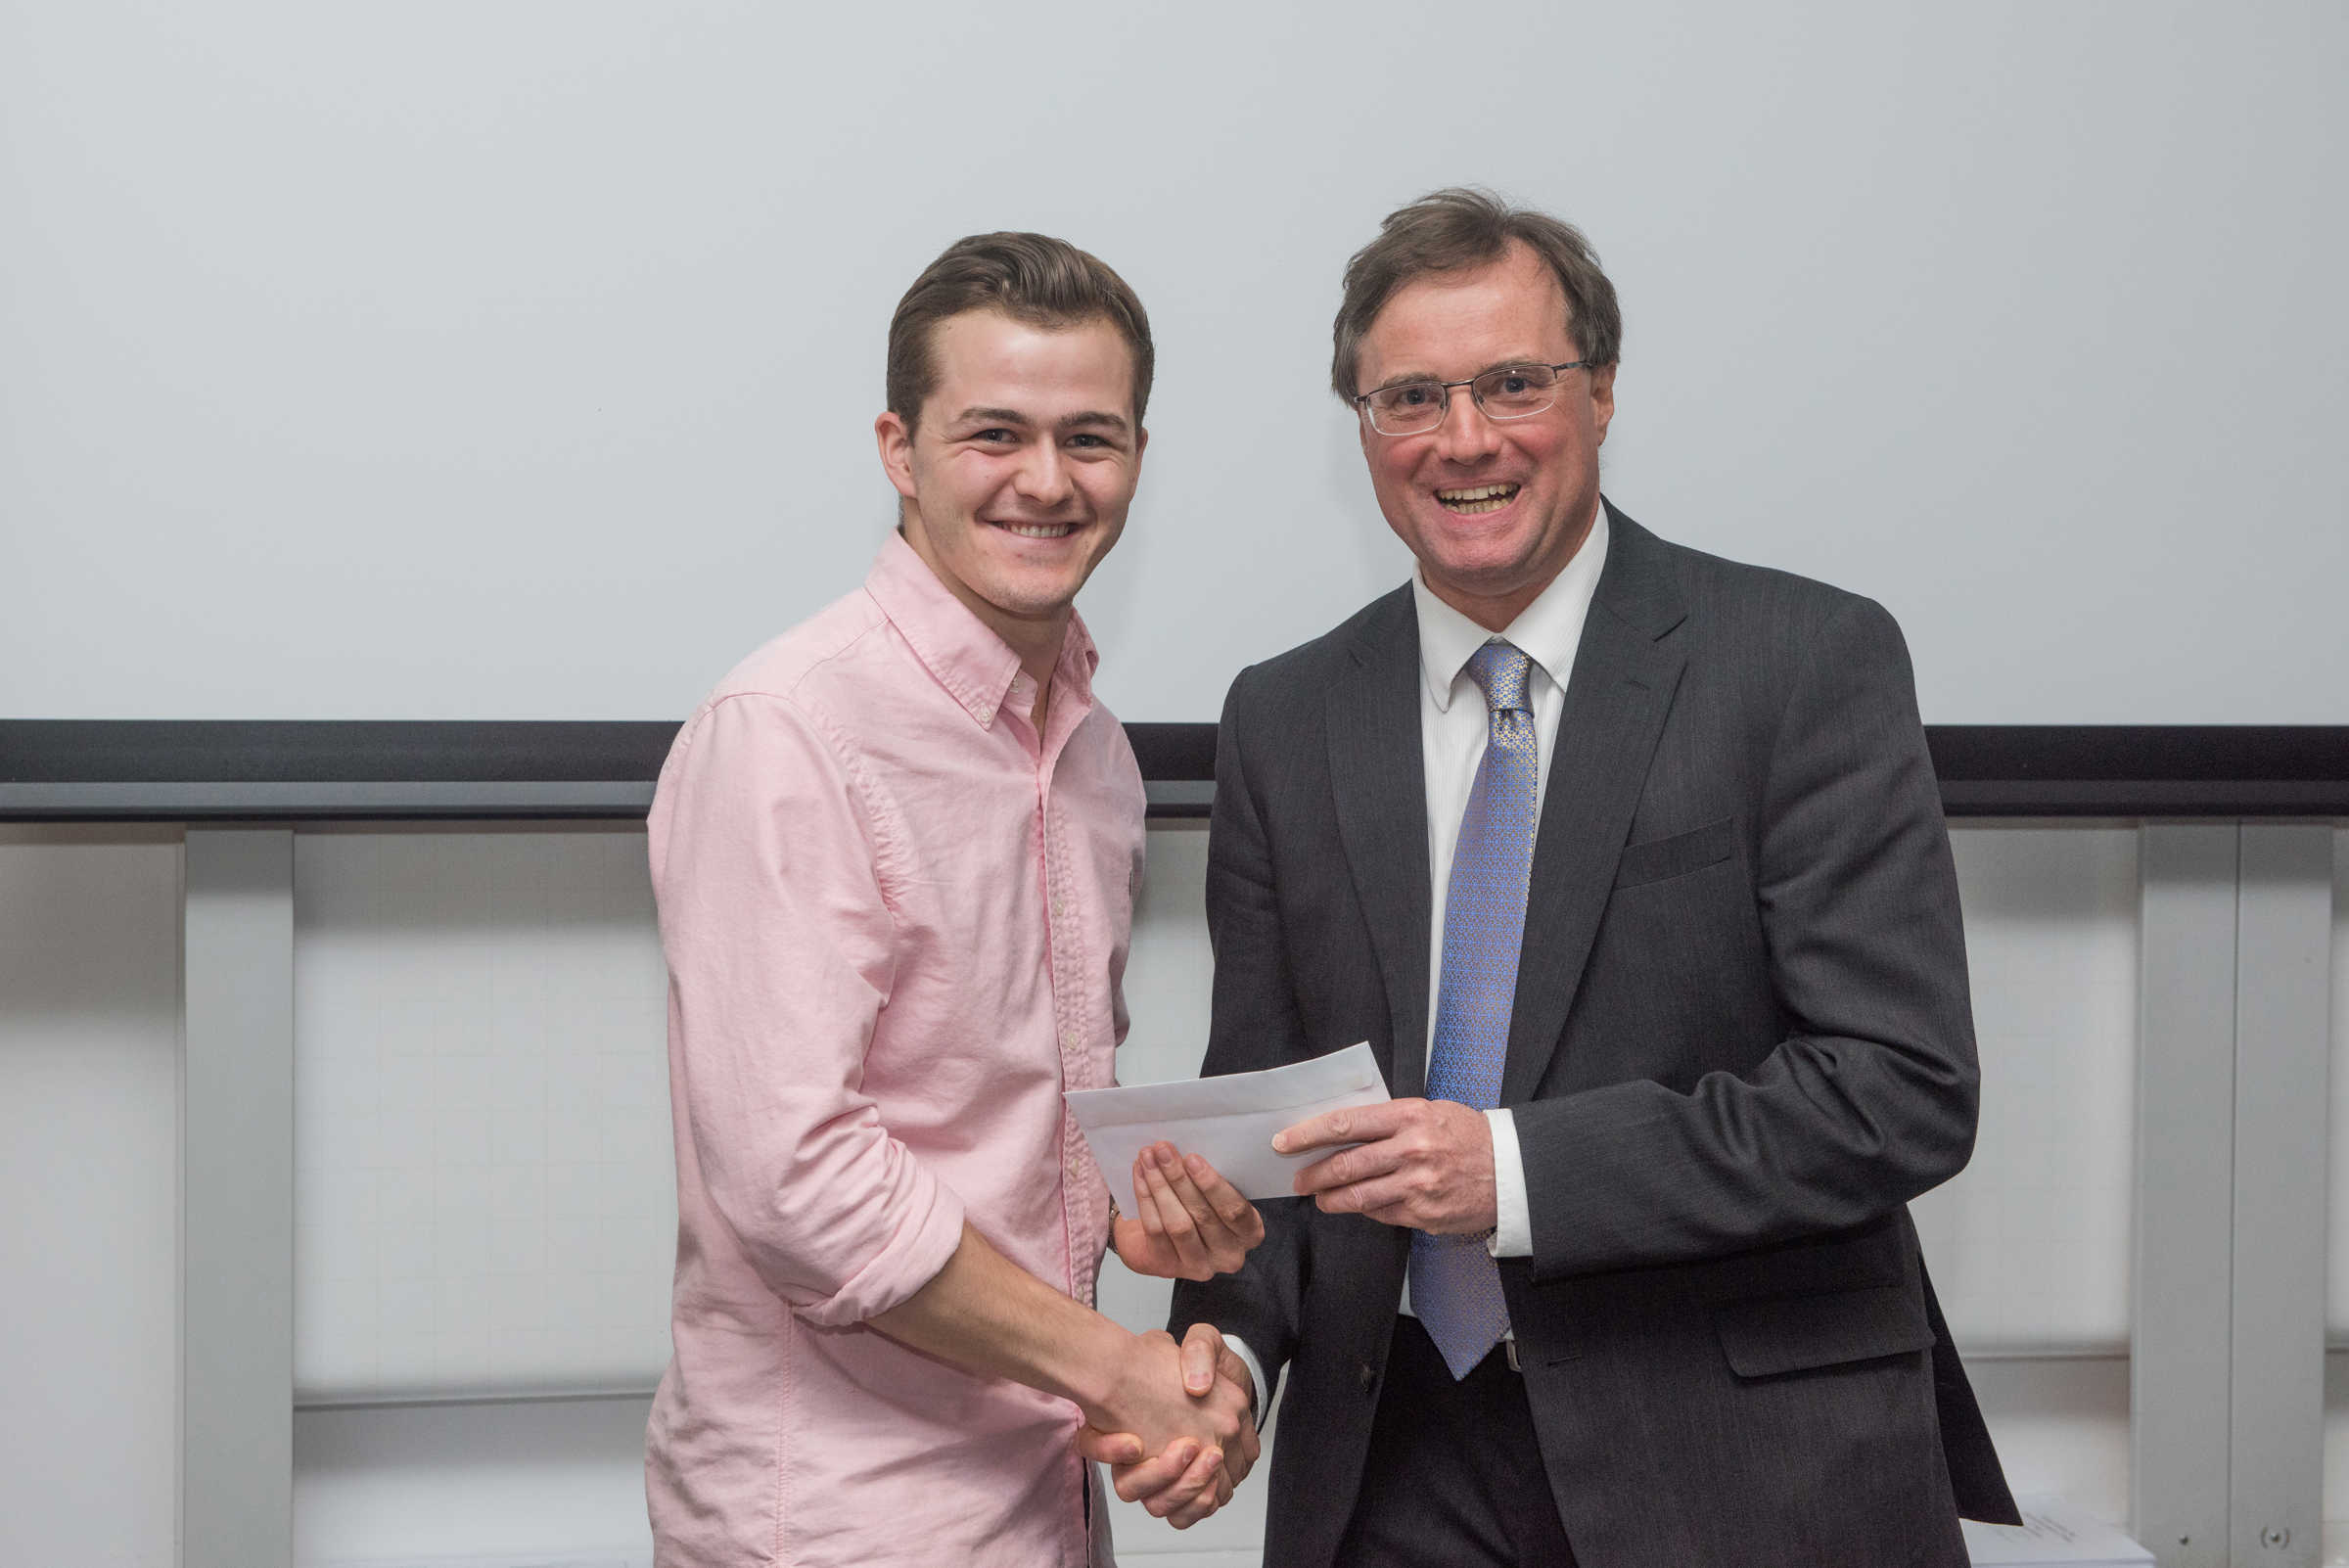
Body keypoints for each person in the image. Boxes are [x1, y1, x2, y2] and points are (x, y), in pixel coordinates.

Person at [1104, 189, 2022, 1566]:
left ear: (1600, 394)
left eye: (1513, 383)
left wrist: (1513, 1170)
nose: (1463, 438)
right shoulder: (1285, 716)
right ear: (1362, 428)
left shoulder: (1800, 662)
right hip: (1392, 1462)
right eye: (1410, 396)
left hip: (1743, 1468)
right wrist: (1228, 1353)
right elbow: (1284, 1132)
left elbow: (1898, 1089)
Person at [643, 231, 1262, 1568]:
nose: (1047, 480)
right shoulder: (788, 729)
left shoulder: (1093, 755)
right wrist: (1118, 1365)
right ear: (898, 448)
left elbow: (987, 1110)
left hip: (1044, 1505)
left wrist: (1134, 1221)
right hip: (842, 1528)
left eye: (1091, 437)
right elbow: (798, 1178)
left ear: (1139, 460)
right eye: (996, 432)